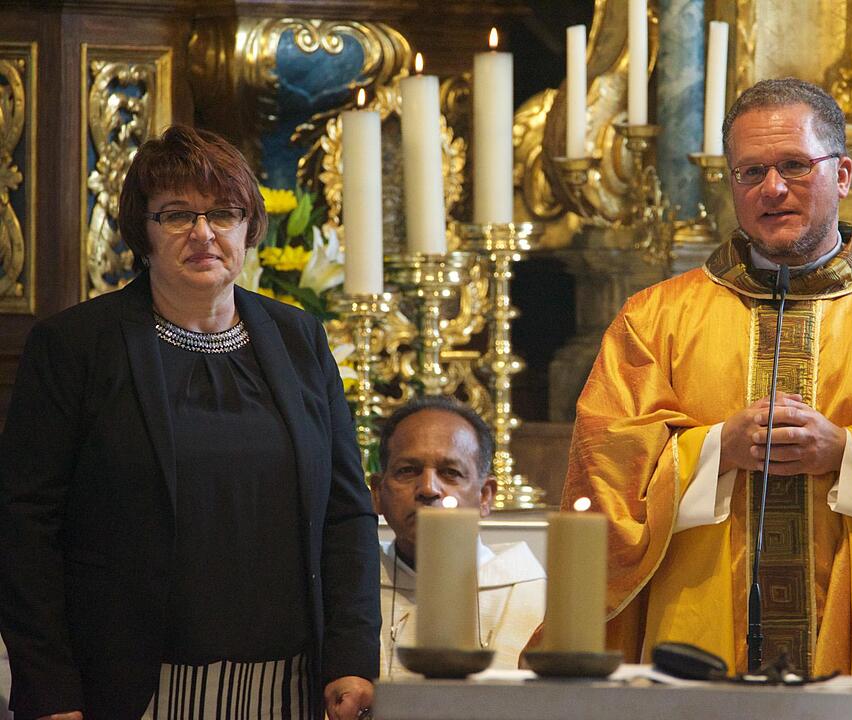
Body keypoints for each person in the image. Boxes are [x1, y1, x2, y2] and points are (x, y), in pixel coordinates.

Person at [555, 78, 852, 678]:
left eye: (794, 165)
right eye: (750, 172)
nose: (773, 188)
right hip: (696, 634)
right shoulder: (654, 320)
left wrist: (849, 454)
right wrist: (714, 449)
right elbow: (602, 466)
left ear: (841, 175)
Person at [0, 125, 380, 719]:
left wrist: (353, 653)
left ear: (248, 227)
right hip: (130, 687)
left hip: (288, 686)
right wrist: (49, 689)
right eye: (177, 215)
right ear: (142, 234)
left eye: (223, 213)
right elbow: (25, 529)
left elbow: (347, 510)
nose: (204, 233)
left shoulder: (299, 338)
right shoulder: (74, 346)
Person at [370, 397, 545, 677]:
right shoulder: (351, 592)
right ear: (377, 493)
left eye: (450, 473)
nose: (428, 489)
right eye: (407, 471)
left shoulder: (535, 598)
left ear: (485, 496)